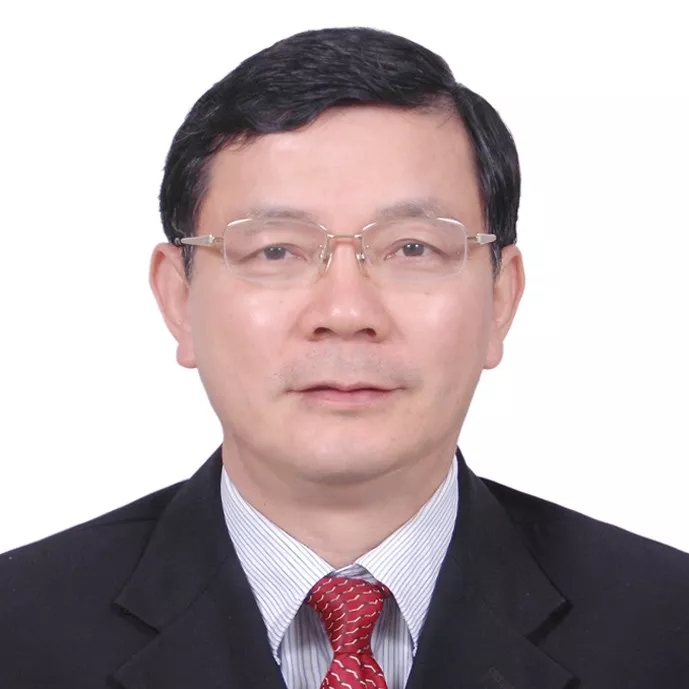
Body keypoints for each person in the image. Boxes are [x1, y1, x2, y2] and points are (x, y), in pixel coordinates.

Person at [1, 25, 687, 689]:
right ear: (179, 299)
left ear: (500, 298)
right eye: (276, 250)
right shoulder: (20, 631)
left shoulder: (665, 629)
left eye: (412, 248)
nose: (346, 312)